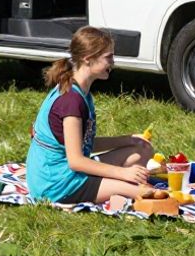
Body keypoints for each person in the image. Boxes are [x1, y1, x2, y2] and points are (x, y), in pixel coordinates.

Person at [26, 26, 154, 204]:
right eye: (108, 57)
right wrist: (122, 173)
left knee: (142, 150)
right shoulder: (71, 101)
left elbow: (82, 144)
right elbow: (76, 161)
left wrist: (129, 140)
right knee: (145, 192)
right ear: (88, 59)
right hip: (56, 185)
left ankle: (114, 191)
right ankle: (117, 191)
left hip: (68, 172)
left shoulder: (81, 92)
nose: (113, 62)